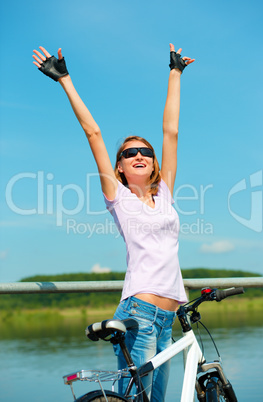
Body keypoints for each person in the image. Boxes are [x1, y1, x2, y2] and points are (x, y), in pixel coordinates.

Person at [32, 44, 194, 401]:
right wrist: (64, 80)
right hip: (140, 312)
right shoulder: (117, 197)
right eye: (129, 153)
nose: (139, 155)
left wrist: (176, 73)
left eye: (145, 152)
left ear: (153, 164)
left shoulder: (164, 192)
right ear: (119, 167)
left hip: (169, 316)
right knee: (135, 399)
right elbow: (93, 133)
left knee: (155, 399)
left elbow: (171, 132)